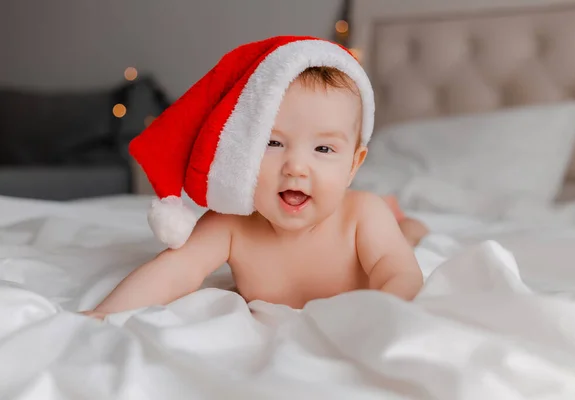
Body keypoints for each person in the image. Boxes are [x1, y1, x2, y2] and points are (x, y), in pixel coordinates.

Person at [82, 36, 424, 319]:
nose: (296, 167)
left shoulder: (362, 215)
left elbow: (398, 273)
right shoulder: (232, 225)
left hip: (381, 225)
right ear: (241, 152)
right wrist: (101, 315)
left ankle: (407, 223)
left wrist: (383, 316)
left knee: (404, 238)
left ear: (353, 165)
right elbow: (176, 270)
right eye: (273, 143)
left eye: (323, 149)